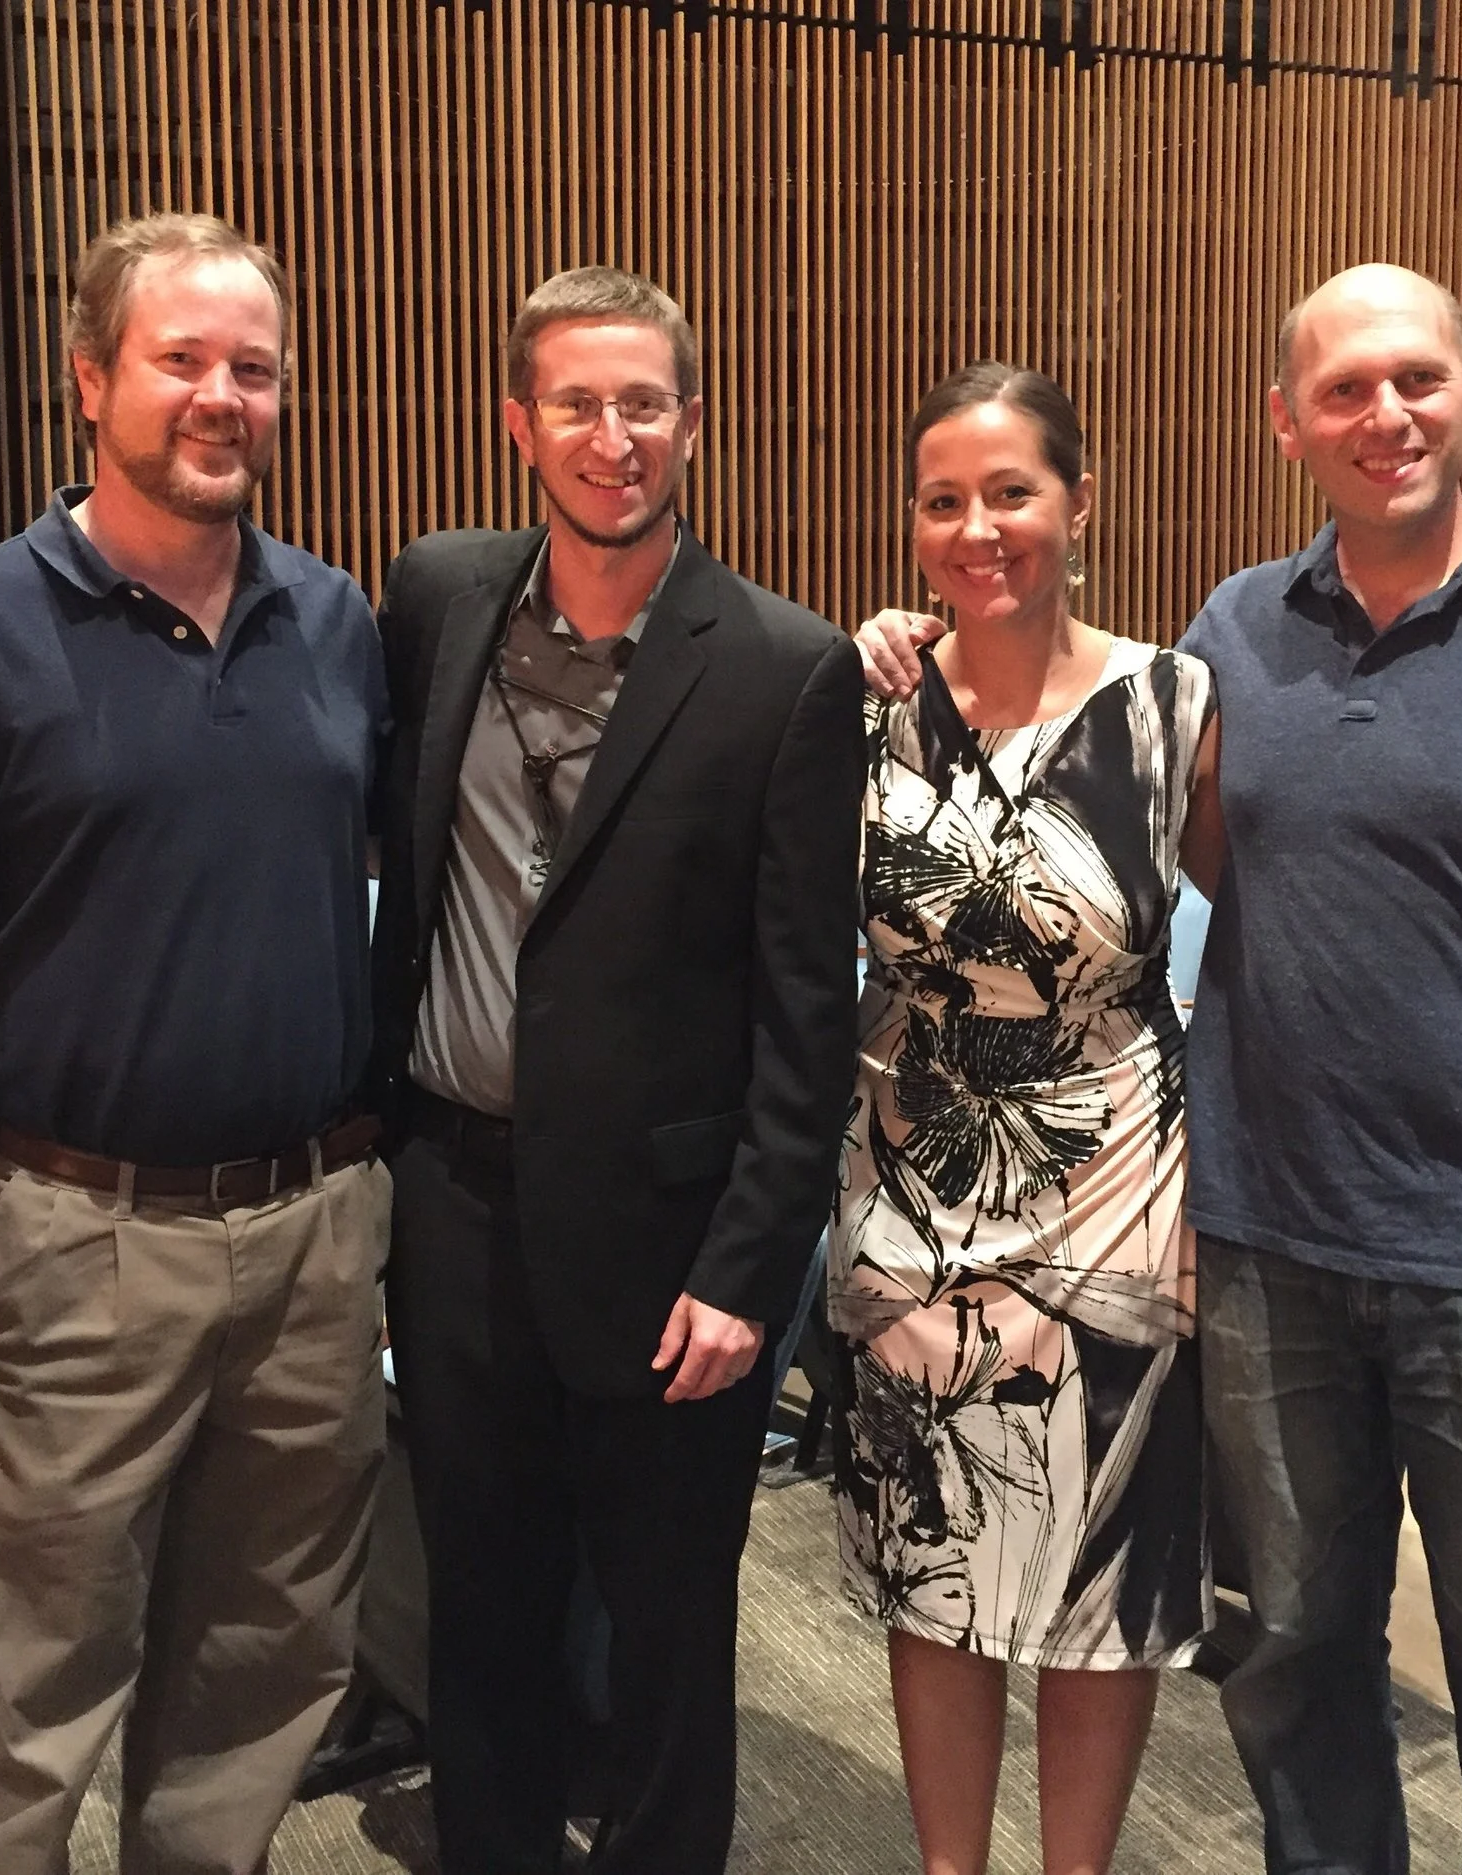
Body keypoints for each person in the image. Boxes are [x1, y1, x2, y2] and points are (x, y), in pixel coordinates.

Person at [859, 265, 1462, 1875]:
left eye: (1413, 379)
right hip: (1263, 1253)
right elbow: (1069, 770)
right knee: (1291, 1678)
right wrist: (914, 637)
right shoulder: (1229, 644)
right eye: (1342, 391)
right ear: (1287, 424)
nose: (1382, 415)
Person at [0, 213, 390, 1875]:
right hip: (81, 1240)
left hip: (315, 1233)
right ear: (91, 380)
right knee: (30, 1688)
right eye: (182, 361)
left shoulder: (336, 621)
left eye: (254, 368)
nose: (222, 396)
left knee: (261, 1672)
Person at [368, 266, 865, 1875]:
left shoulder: (784, 666)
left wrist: (747, 1268)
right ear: (520, 422)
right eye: (576, 402)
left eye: (643, 402)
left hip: (671, 1250)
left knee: (664, 1635)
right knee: (483, 1606)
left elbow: (807, 1018)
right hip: (451, 1203)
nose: (611, 436)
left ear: (692, 424)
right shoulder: (439, 598)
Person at [833, 362, 1220, 1875]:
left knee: (1096, 1580)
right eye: (944, 499)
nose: (978, 526)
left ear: (1079, 502)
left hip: (1118, 1197)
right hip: (916, 1198)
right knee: (937, 1571)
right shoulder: (865, 702)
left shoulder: (1174, 701)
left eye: (1013, 491)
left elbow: (1260, 941)